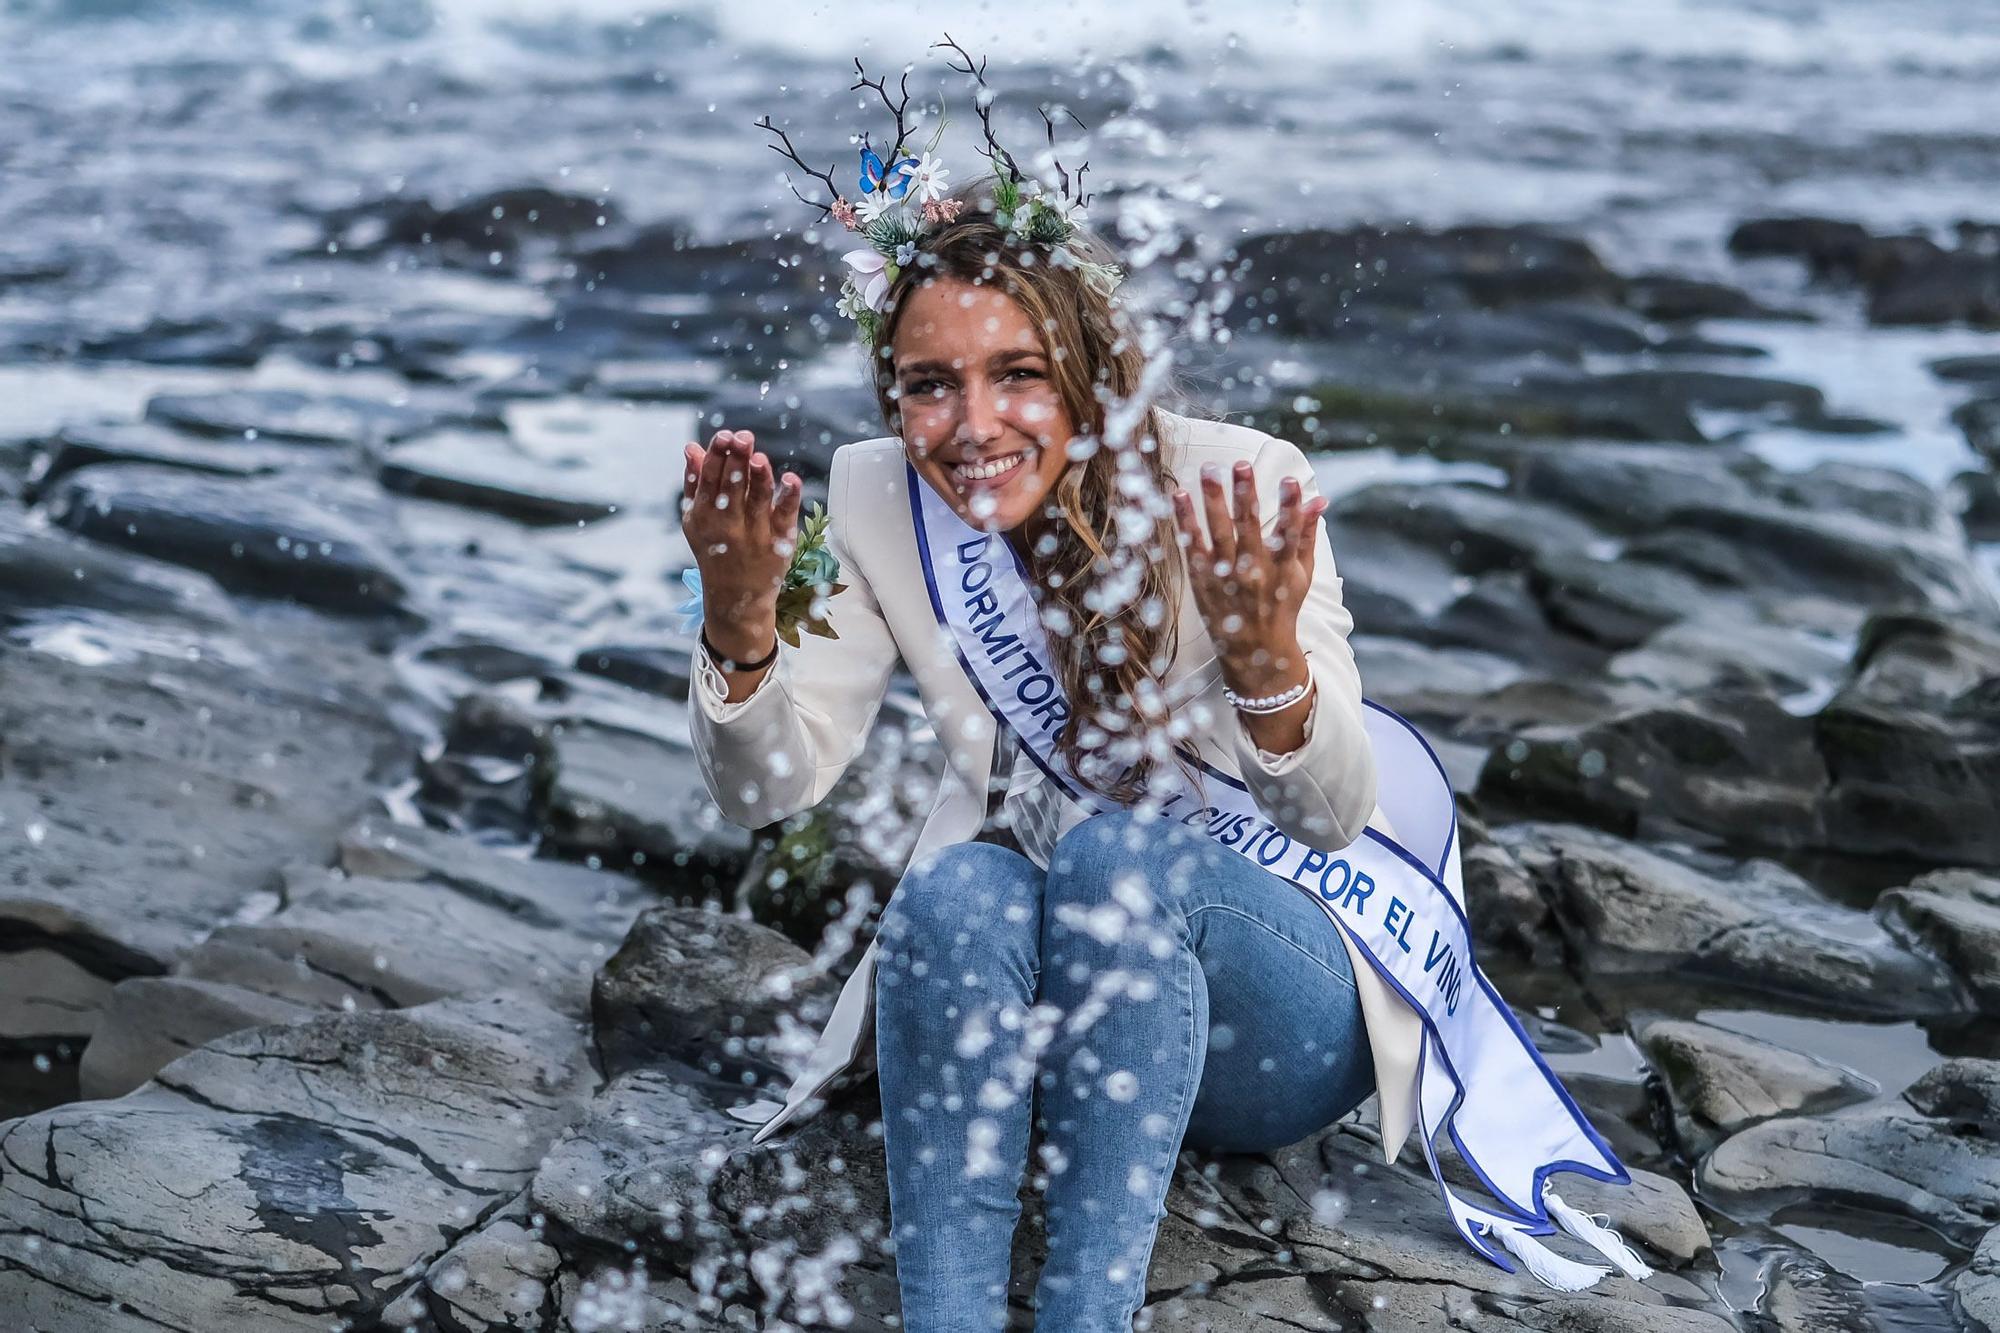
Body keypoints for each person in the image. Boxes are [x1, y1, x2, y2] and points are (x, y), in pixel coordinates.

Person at [681, 176, 1408, 1331]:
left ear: (1084, 368)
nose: (972, 427)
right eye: (930, 385)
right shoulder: (876, 494)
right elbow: (771, 789)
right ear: (891, 394)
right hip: (1060, 1007)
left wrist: (1268, 660)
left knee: (1118, 860)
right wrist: (740, 626)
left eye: (1016, 372)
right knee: (958, 886)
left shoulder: (1236, 483)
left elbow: (1334, 818)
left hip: (1271, 1014)